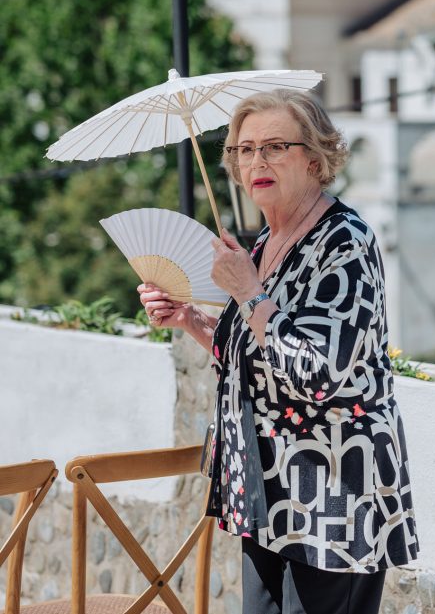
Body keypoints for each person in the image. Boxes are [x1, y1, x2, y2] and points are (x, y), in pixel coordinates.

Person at [138, 89, 418, 614]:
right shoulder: (266, 243)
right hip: (269, 490)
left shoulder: (344, 242)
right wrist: (190, 318)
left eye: (274, 147)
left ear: (315, 158)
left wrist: (248, 291)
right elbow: (258, 356)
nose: (256, 162)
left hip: (333, 494)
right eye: (244, 150)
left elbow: (318, 373)